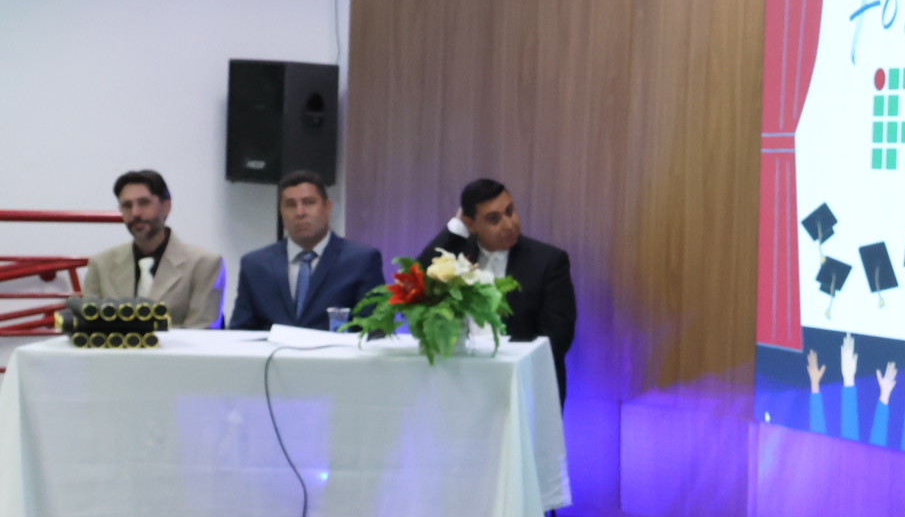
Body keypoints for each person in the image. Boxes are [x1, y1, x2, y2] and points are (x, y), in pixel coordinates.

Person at [419, 179, 574, 397]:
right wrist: (456, 227)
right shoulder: (456, 256)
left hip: (523, 384)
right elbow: (417, 281)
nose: (509, 224)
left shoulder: (548, 261)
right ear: (471, 224)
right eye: (494, 219)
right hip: (459, 382)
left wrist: (508, 367)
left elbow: (558, 336)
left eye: (510, 211)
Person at [228, 170, 383, 331]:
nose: (300, 212)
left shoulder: (361, 261)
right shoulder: (255, 265)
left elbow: (374, 328)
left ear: (327, 207)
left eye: (309, 202)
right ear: (281, 212)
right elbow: (240, 331)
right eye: (290, 205)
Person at [83, 170, 223, 327]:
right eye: (127, 205)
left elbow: (202, 331)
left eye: (144, 203)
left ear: (166, 207)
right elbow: (90, 327)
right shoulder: (101, 265)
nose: (135, 213)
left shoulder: (203, 264)